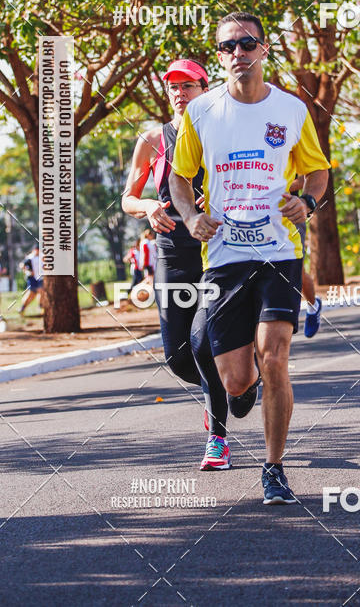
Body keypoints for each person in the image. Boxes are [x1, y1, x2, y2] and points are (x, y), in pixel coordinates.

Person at [169, 13, 330, 505]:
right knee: (237, 378)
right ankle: (244, 391)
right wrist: (188, 216)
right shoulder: (201, 114)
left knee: (275, 356)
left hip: (280, 251)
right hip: (223, 257)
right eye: (226, 47)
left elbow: (317, 172)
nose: (236, 53)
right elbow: (180, 177)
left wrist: (309, 203)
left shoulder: (291, 109)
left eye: (246, 44)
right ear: (219, 55)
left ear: (263, 49)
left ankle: (274, 468)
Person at [122, 58, 231, 470]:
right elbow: (127, 197)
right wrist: (148, 205)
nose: (180, 93)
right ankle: (225, 388)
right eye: (173, 88)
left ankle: (217, 438)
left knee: (206, 341)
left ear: (206, 89)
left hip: (219, 248)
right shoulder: (153, 139)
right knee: (178, 355)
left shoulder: (223, 134)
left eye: (188, 85)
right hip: (171, 249)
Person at [290, 176, 322, 337]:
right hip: (252, 217)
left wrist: (270, 187)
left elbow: (305, 179)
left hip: (289, 215)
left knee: (296, 271)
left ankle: (313, 305)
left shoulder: (290, 150)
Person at [19, 245, 43, 314]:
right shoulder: (30, 258)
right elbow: (22, 265)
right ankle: (22, 308)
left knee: (41, 291)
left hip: (40, 278)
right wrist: (27, 271)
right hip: (32, 278)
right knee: (31, 295)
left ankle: (41, 307)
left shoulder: (42, 256)